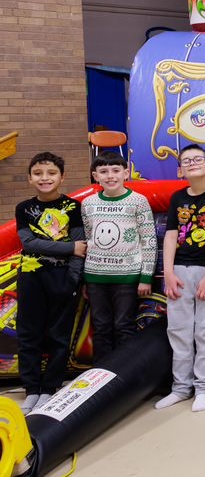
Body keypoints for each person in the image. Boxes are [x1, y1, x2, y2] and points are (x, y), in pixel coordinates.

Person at [155, 145, 205, 412]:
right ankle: (180, 388)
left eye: (198, 159)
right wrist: (168, 273)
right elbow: (169, 237)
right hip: (179, 272)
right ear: (180, 170)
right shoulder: (177, 197)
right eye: (186, 161)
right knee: (178, 331)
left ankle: (203, 388)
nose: (192, 163)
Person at [15, 152, 86, 413]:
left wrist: (73, 279)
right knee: (29, 334)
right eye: (38, 173)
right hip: (30, 276)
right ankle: (31, 389)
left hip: (63, 277)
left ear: (62, 176)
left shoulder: (73, 207)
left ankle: (49, 389)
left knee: (59, 334)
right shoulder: (24, 208)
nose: (45, 178)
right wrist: (68, 247)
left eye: (51, 173)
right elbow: (29, 243)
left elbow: (82, 248)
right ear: (30, 178)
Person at [82, 151, 156, 364]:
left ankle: (123, 375)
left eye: (115, 170)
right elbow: (88, 239)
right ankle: (101, 378)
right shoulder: (88, 203)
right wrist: (84, 279)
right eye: (103, 171)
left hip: (128, 277)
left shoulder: (138, 201)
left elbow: (149, 241)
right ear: (95, 176)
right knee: (101, 327)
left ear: (126, 173)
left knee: (124, 326)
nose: (110, 176)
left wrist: (145, 277)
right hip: (95, 277)